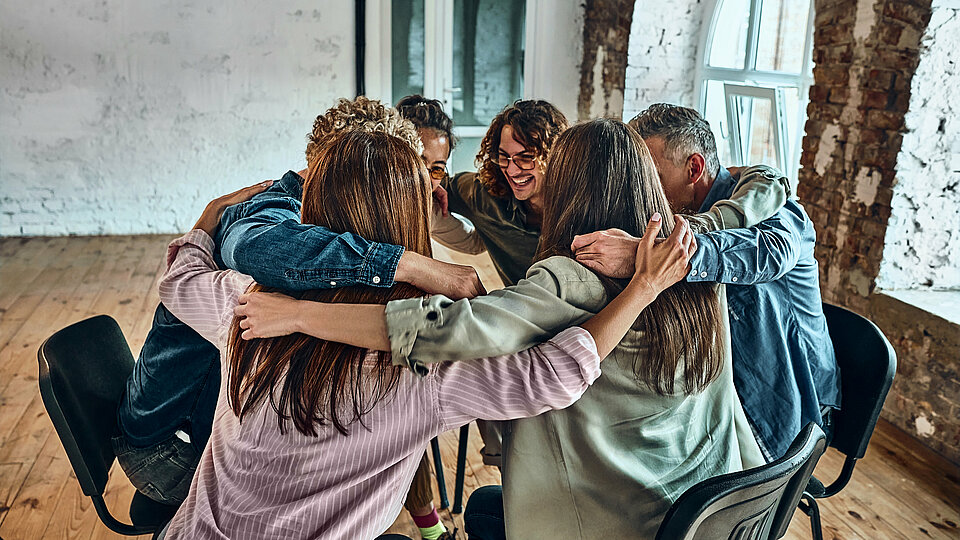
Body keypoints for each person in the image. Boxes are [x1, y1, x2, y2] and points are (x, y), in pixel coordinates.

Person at [236, 119, 765, 538]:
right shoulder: (693, 261)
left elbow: (440, 330)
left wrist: (300, 314)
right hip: (719, 509)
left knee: (481, 506)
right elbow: (765, 188)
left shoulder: (570, 280)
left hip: (619, 520)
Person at [113, 96, 484, 508]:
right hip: (170, 443)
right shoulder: (267, 209)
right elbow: (259, 249)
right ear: (340, 171)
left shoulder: (337, 230)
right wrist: (411, 265)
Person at [573, 103, 840, 462]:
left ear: (694, 168)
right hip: (726, 389)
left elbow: (768, 253)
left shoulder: (778, 207)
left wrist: (647, 254)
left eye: (650, 175)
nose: (641, 187)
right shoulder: (675, 216)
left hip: (789, 406)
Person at [395, 94, 459, 540]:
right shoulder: (360, 201)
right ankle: (427, 522)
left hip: (409, 325)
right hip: (367, 330)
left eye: (436, 167)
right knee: (402, 393)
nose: (425, 175)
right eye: (417, 160)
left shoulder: (428, 206)